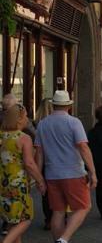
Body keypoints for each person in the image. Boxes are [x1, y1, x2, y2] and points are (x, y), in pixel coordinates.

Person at [35, 90, 97, 243]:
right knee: (84, 207)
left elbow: (39, 153)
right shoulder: (73, 122)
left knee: (58, 212)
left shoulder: (43, 124)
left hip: (52, 174)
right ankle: (62, 242)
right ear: (69, 106)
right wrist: (93, 172)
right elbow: (83, 148)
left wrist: (39, 178)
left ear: (53, 105)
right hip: (73, 173)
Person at [0, 104, 46, 243]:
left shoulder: (2, 136)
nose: (27, 118)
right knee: (26, 218)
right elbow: (29, 163)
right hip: (18, 183)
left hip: (2, 183)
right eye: (26, 115)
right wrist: (40, 180)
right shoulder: (23, 138)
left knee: (13, 216)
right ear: (20, 118)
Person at [34, 98, 53, 229]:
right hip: (56, 161)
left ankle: (48, 219)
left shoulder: (37, 124)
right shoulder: (56, 124)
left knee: (45, 191)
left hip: (42, 161)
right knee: (58, 190)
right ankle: (59, 216)